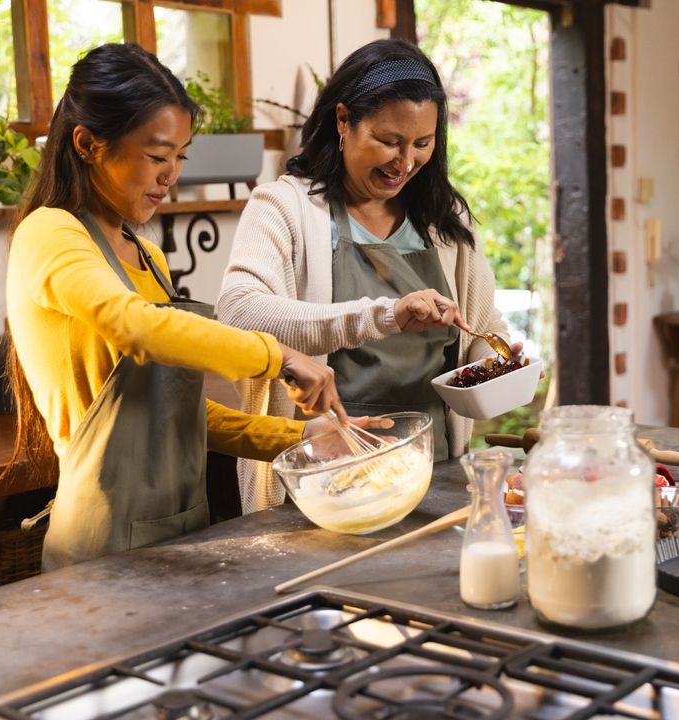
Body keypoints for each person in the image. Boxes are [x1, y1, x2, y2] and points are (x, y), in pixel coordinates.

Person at [3, 43, 348, 571]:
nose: (171, 176)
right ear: (87, 143)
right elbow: (136, 326)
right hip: (101, 547)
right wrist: (277, 354)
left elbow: (182, 417)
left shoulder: (147, 256)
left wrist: (304, 436)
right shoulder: (49, 233)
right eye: (157, 156)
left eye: (180, 158)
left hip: (185, 535)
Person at [217, 38, 519, 514]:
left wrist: (494, 363)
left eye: (422, 144)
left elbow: (482, 328)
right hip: (317, 482)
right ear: (343, 121)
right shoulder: (285, 208)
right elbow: (238, 311)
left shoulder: (442, 220)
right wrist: (386, 314)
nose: (405, 163)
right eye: (389, 141)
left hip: (430, 475)